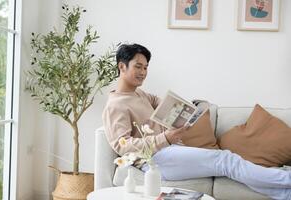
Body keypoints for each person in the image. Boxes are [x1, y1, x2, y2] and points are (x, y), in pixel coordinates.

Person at [102, 43, 291, 200]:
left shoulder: (139, 93)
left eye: (145, 67)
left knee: (228, 165)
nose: (143, 72)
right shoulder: (115, 105)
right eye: (138, 66)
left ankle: (285, 192)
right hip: (154, 160)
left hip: (169, 151)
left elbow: (159, 102)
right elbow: (122, 146)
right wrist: (165, 138)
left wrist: (189, 109)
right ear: (122, 66)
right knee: (226, 159)